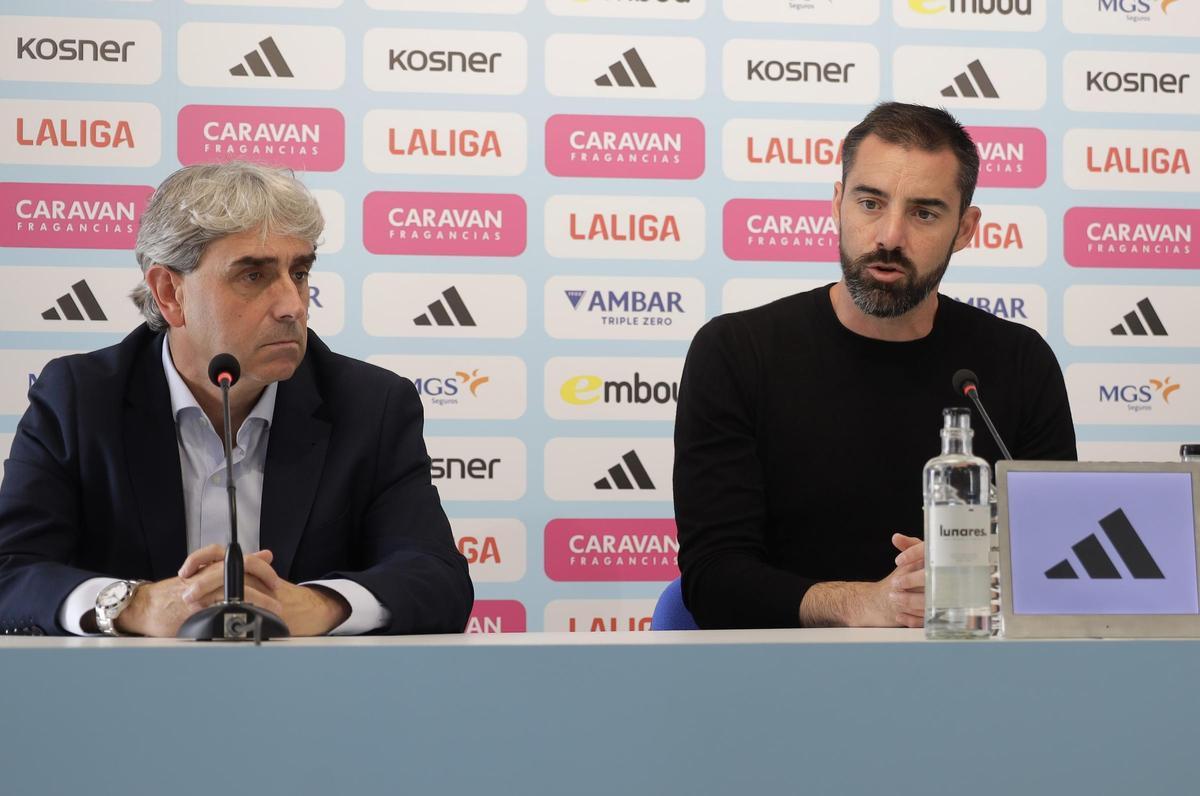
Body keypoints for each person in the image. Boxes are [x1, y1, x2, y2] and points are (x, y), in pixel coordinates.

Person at [0, 162, 473, 637]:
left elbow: (438, 579)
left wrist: (318, 605)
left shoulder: (371, 405)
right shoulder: (80, 399)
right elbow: (11, 572)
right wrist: (135, 605)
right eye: (253, 276)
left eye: (300, 272)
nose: (293, 305)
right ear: (169, 293)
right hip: (125, 699)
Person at [673, 102, 1076, 630]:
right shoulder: (735, 352)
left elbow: (1061, 564)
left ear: (965, 229)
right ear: (838, 203)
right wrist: (864, 602)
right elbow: (713, 579)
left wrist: (978, 582)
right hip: (783, 682)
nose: (890, 236)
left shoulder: (1019, 361)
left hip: (972, 678)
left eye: (924, 212)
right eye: (870, 203)